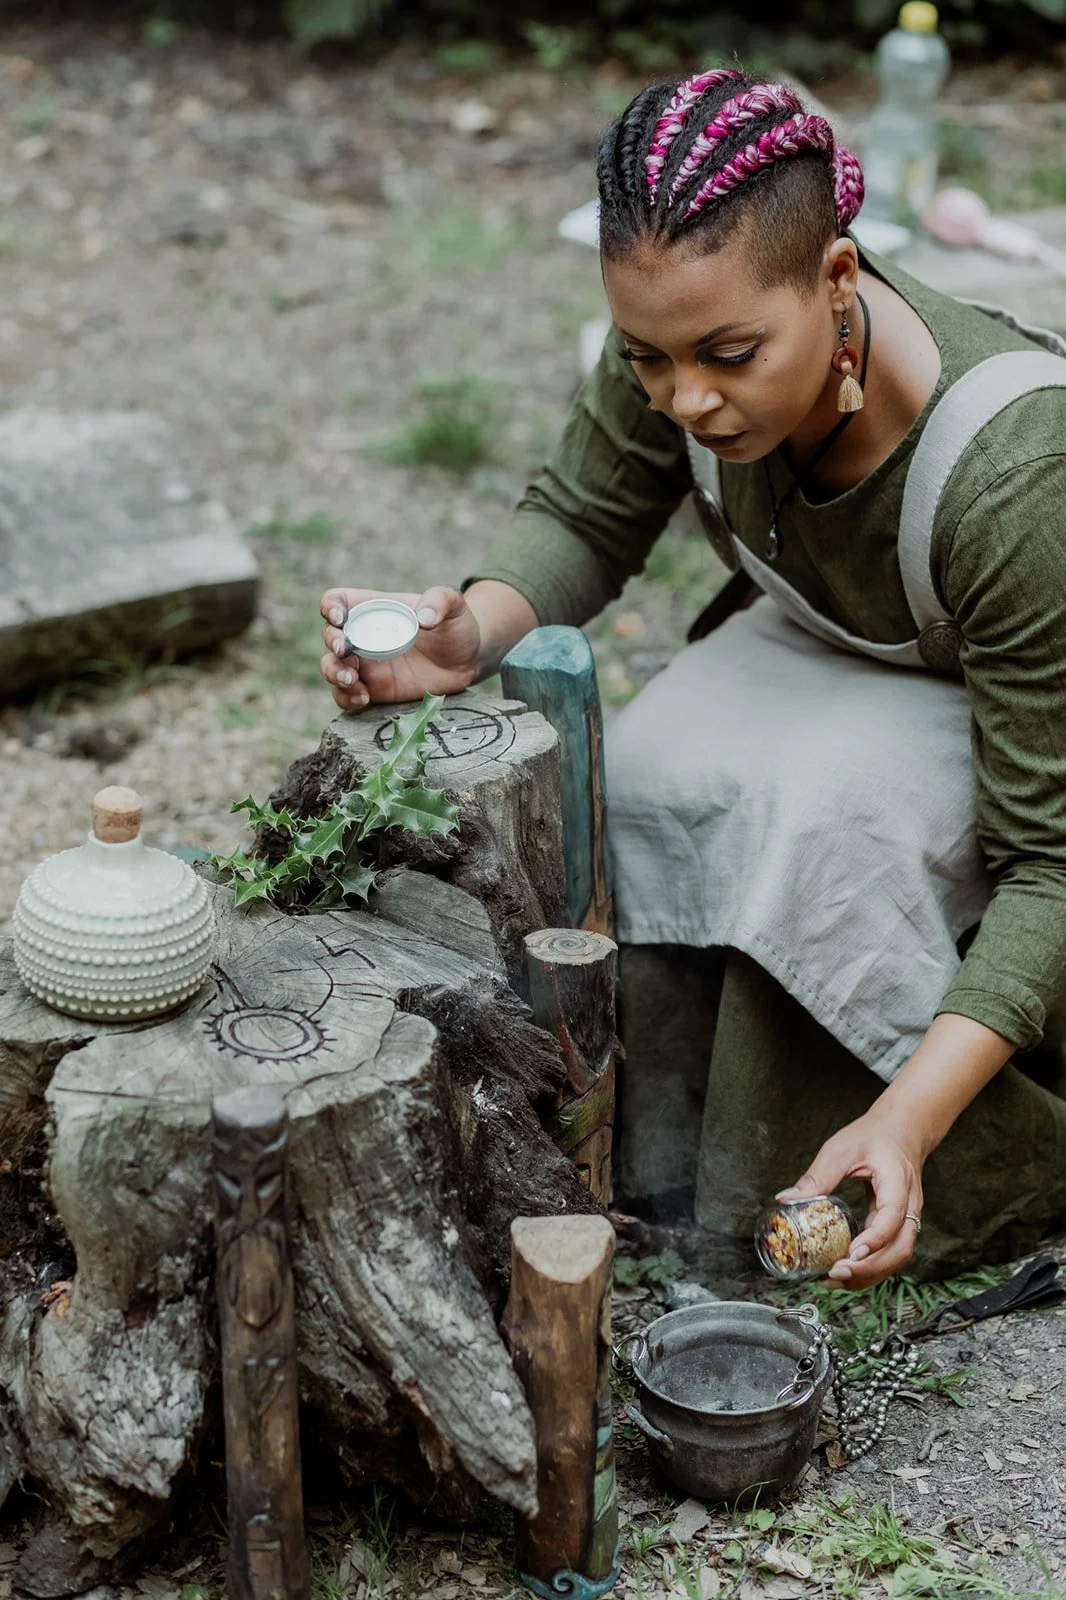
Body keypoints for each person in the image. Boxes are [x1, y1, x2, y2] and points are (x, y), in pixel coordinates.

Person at [320, 69, 1066, 1288]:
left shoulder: (1017, 478)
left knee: (817, 831)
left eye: (727, 356)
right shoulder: (683, 338)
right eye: (649, 361)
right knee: (652, 775)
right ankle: (667, 1138)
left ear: (836, 281)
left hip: (1008, 686)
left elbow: (1053, 861)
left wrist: (913, 1119)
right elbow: (584, 511)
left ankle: (914, 1138)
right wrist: (465, 637)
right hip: (835, 636)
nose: (688, 400)